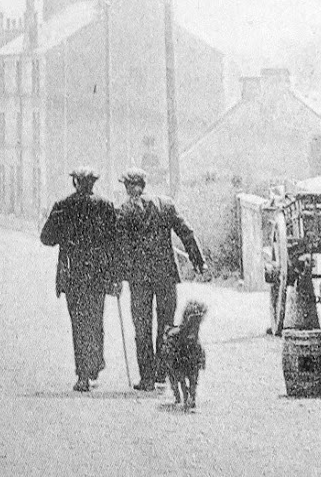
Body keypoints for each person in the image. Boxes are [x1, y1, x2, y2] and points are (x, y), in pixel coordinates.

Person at [114, 167, 205, 391]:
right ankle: (162, 372)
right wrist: (198, 261)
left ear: (127, 187)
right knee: (167, 325)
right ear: (143, 185)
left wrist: (116, 276)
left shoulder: (124, 210)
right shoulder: (166, 204)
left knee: (142, 326)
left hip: (139, 277)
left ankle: (146, 378)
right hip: (166, 274)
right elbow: (186, 232)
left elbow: (120, 247)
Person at [39, 167, 122, 392]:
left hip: (72, 271)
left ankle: (83, 373)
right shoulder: (105, 206)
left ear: (76, 182)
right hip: (98, 273)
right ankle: (95, 363)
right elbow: (115, 244)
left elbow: (46, 238)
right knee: (96, 318)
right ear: (93, 183)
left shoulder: (63, 205)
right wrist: (116, 276)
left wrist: (63, 232)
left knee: (79, 323)